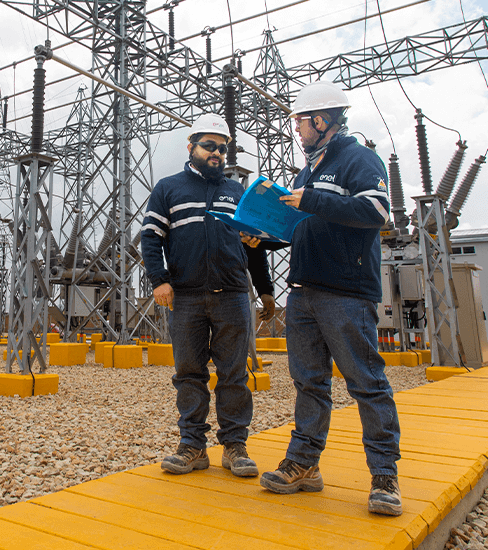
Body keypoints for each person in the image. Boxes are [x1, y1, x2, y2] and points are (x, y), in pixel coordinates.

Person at [254, 81, 403, 516]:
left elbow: (377, 211)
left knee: (367, 384)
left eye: (299, 121)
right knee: (309, 382)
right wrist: (260, 239)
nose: (296, 130)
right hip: (302, 292)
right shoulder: (307, 173)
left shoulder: (358, 158)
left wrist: (313, 199)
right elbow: (300, 225)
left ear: (322, 120)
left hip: (345, 292)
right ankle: (303, 464)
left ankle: (384, 477)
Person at [141, 113, 276, 478]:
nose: (217, 153)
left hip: (232, 294)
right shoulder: (168, 189)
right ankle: (193, 446)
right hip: (185, 296)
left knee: (234, 373)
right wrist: (159, 280)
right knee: (189, 373)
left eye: (222, 147)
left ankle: (235, 446)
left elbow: (255, 247)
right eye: (210, 146)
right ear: (191, 147)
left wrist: (265, 290)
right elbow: (150, 238)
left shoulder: (236, 193)